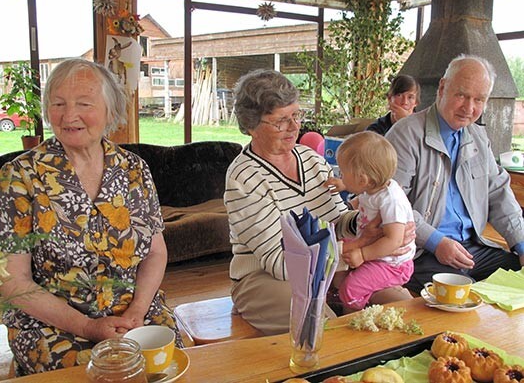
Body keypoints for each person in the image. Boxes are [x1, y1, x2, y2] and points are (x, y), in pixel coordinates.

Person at [0, 58, 182, 376]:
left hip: (133, 312)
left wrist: (138, 310)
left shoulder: (134, 169)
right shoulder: (21, 175)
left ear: (110, 112)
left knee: (166, 366)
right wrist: (88, 326)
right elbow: (13, 282)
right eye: (58, 103)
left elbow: (155, 252)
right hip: (53, 324)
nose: (69, 116)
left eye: (84, 103)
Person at [224, 69, 414, 336]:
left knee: (405, 308)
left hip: (329, 267)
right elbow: (279, 263)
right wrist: (356, 248)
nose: (294, 127)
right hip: (265, 280)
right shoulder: (244, 177)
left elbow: (337, 222)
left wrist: (375, 227)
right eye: (281, 121)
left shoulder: (311, 160)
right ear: (251, 126)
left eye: (296, 115)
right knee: (323, 324)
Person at [386, 54, 524, 295]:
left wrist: (521, 245)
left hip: (472, 247)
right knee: (459, 296)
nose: (468, 108)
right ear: (442, 87)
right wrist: (435, 241)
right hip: (421, 252)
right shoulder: (406, 134)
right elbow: (391, 205)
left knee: (517, 278)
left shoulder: (478, 138)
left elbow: (498, 193)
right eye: (462, 95)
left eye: (478, 99)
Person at [335, 131, 415, 312]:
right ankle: (344, 294)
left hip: (391, 264)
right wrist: (344, 184)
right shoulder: (372, 188)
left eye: (343, 173)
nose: (341, 175)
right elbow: (359, 192)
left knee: (350, 289)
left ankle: (355, 315)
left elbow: (394, 240)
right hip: (376, 252)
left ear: (362, 179)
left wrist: (362, 254)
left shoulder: (391, 200)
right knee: (337, 259)